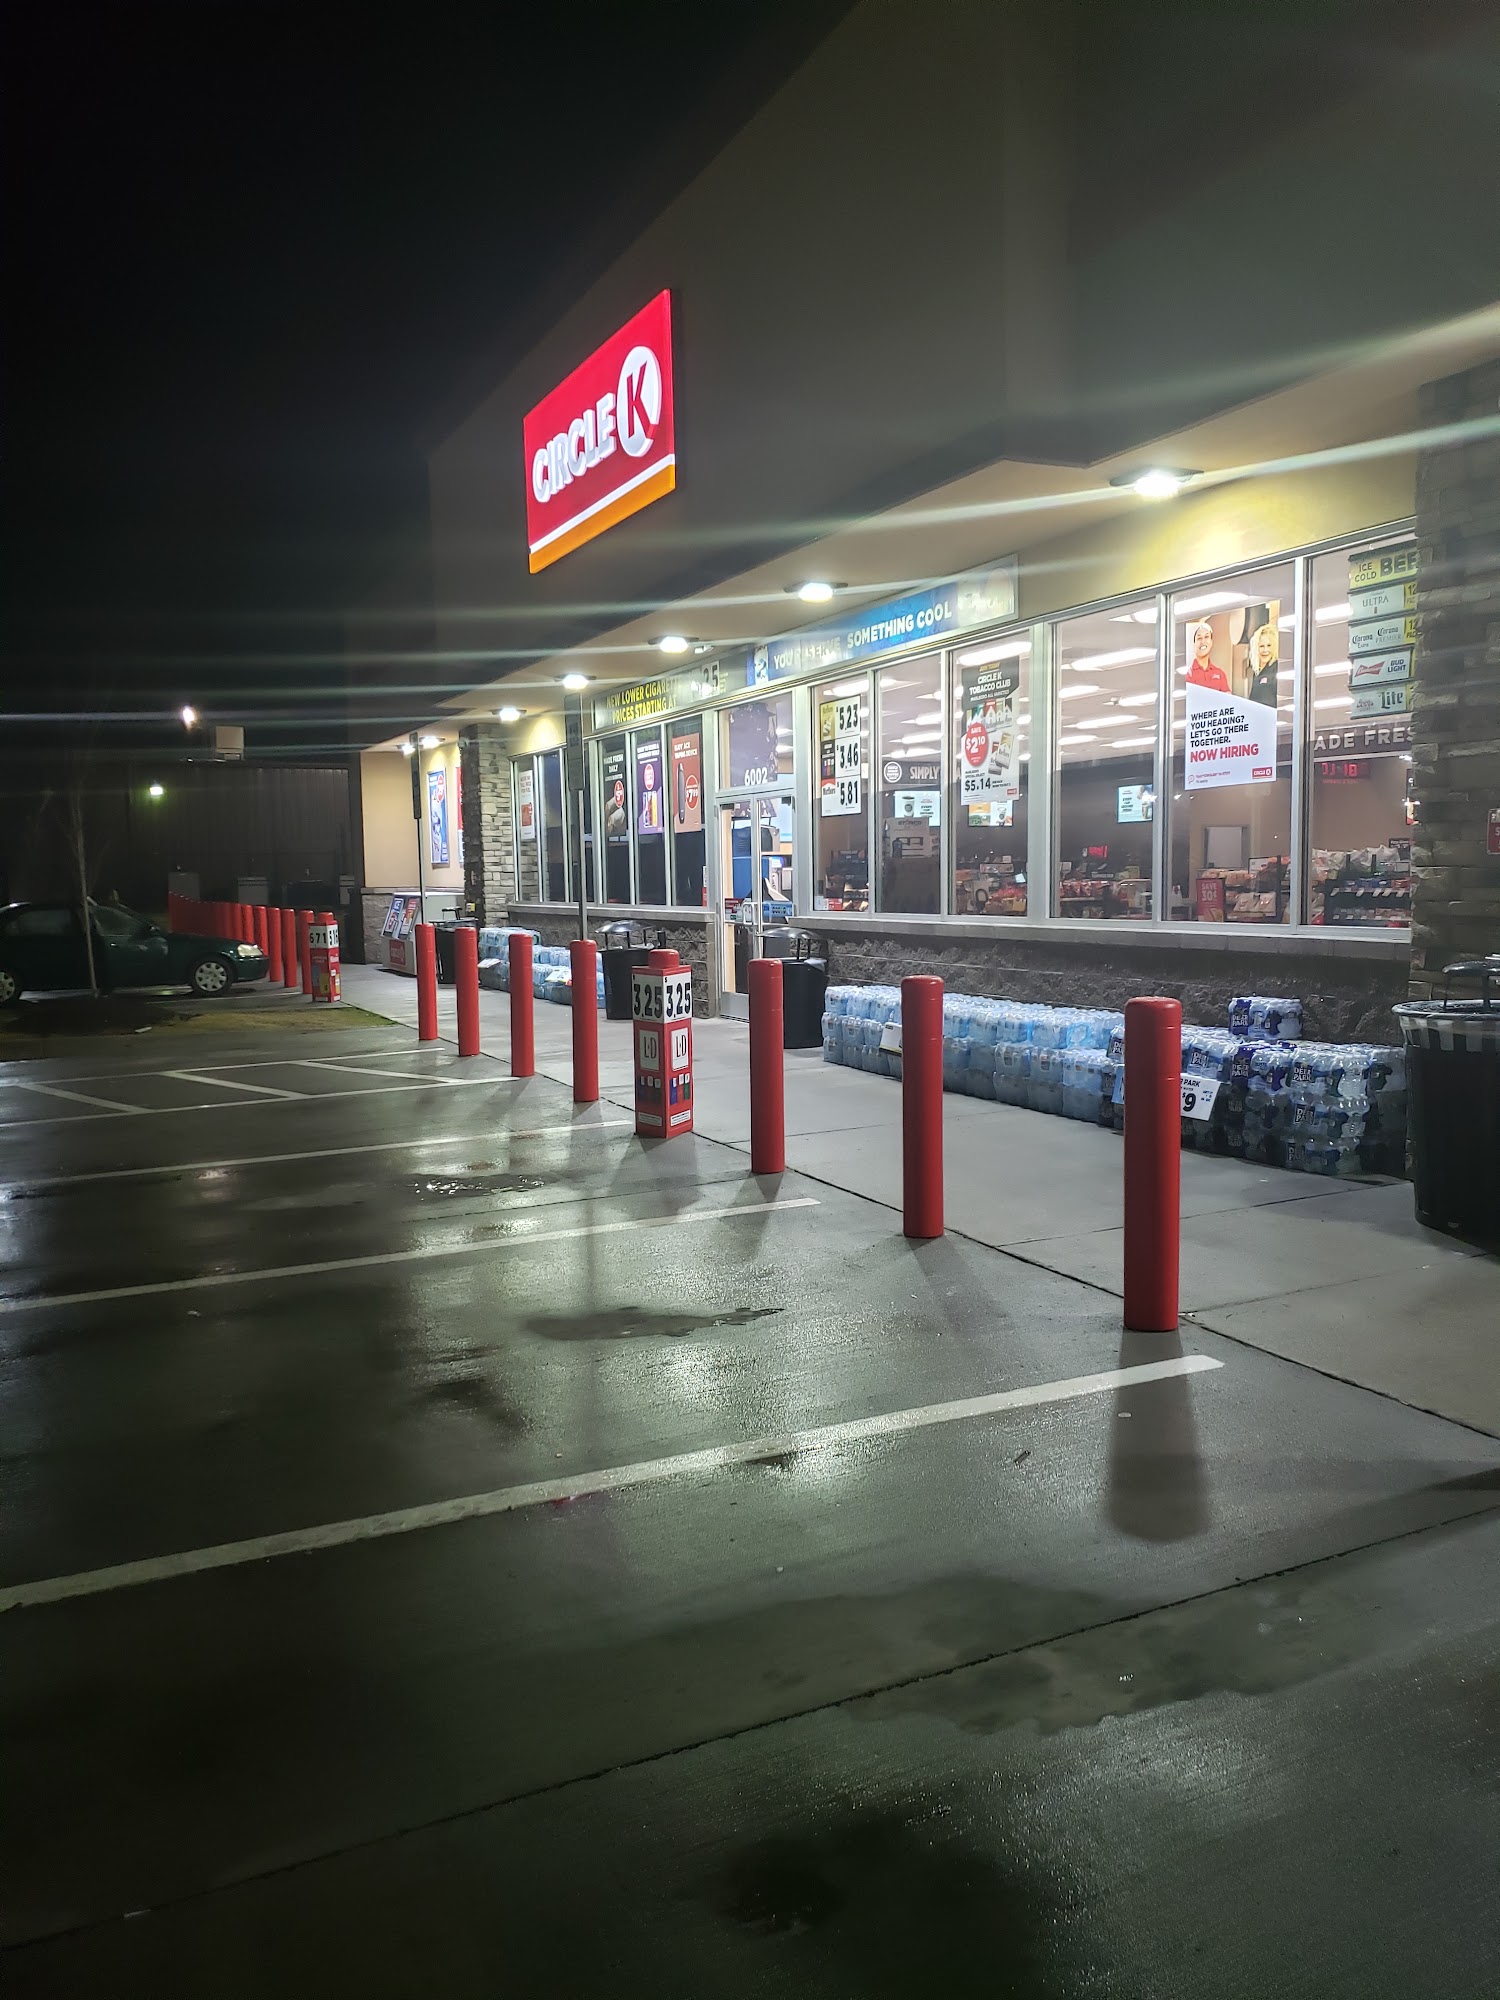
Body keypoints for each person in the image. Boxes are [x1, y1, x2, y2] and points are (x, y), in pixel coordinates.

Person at [1185, 620, 1229, 692]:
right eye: (1199, 638)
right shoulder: (1188, 674)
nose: (1203, 641)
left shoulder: (1220, 674)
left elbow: (1227, 697)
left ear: (1211, 642)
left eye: (1206, 637)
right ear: (1194, 643)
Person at [1245, 620, 1279, 707]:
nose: (1265, 650)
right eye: (1261, 646)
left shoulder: (1277, 669)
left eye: (1269, 645)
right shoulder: (1257, 673)